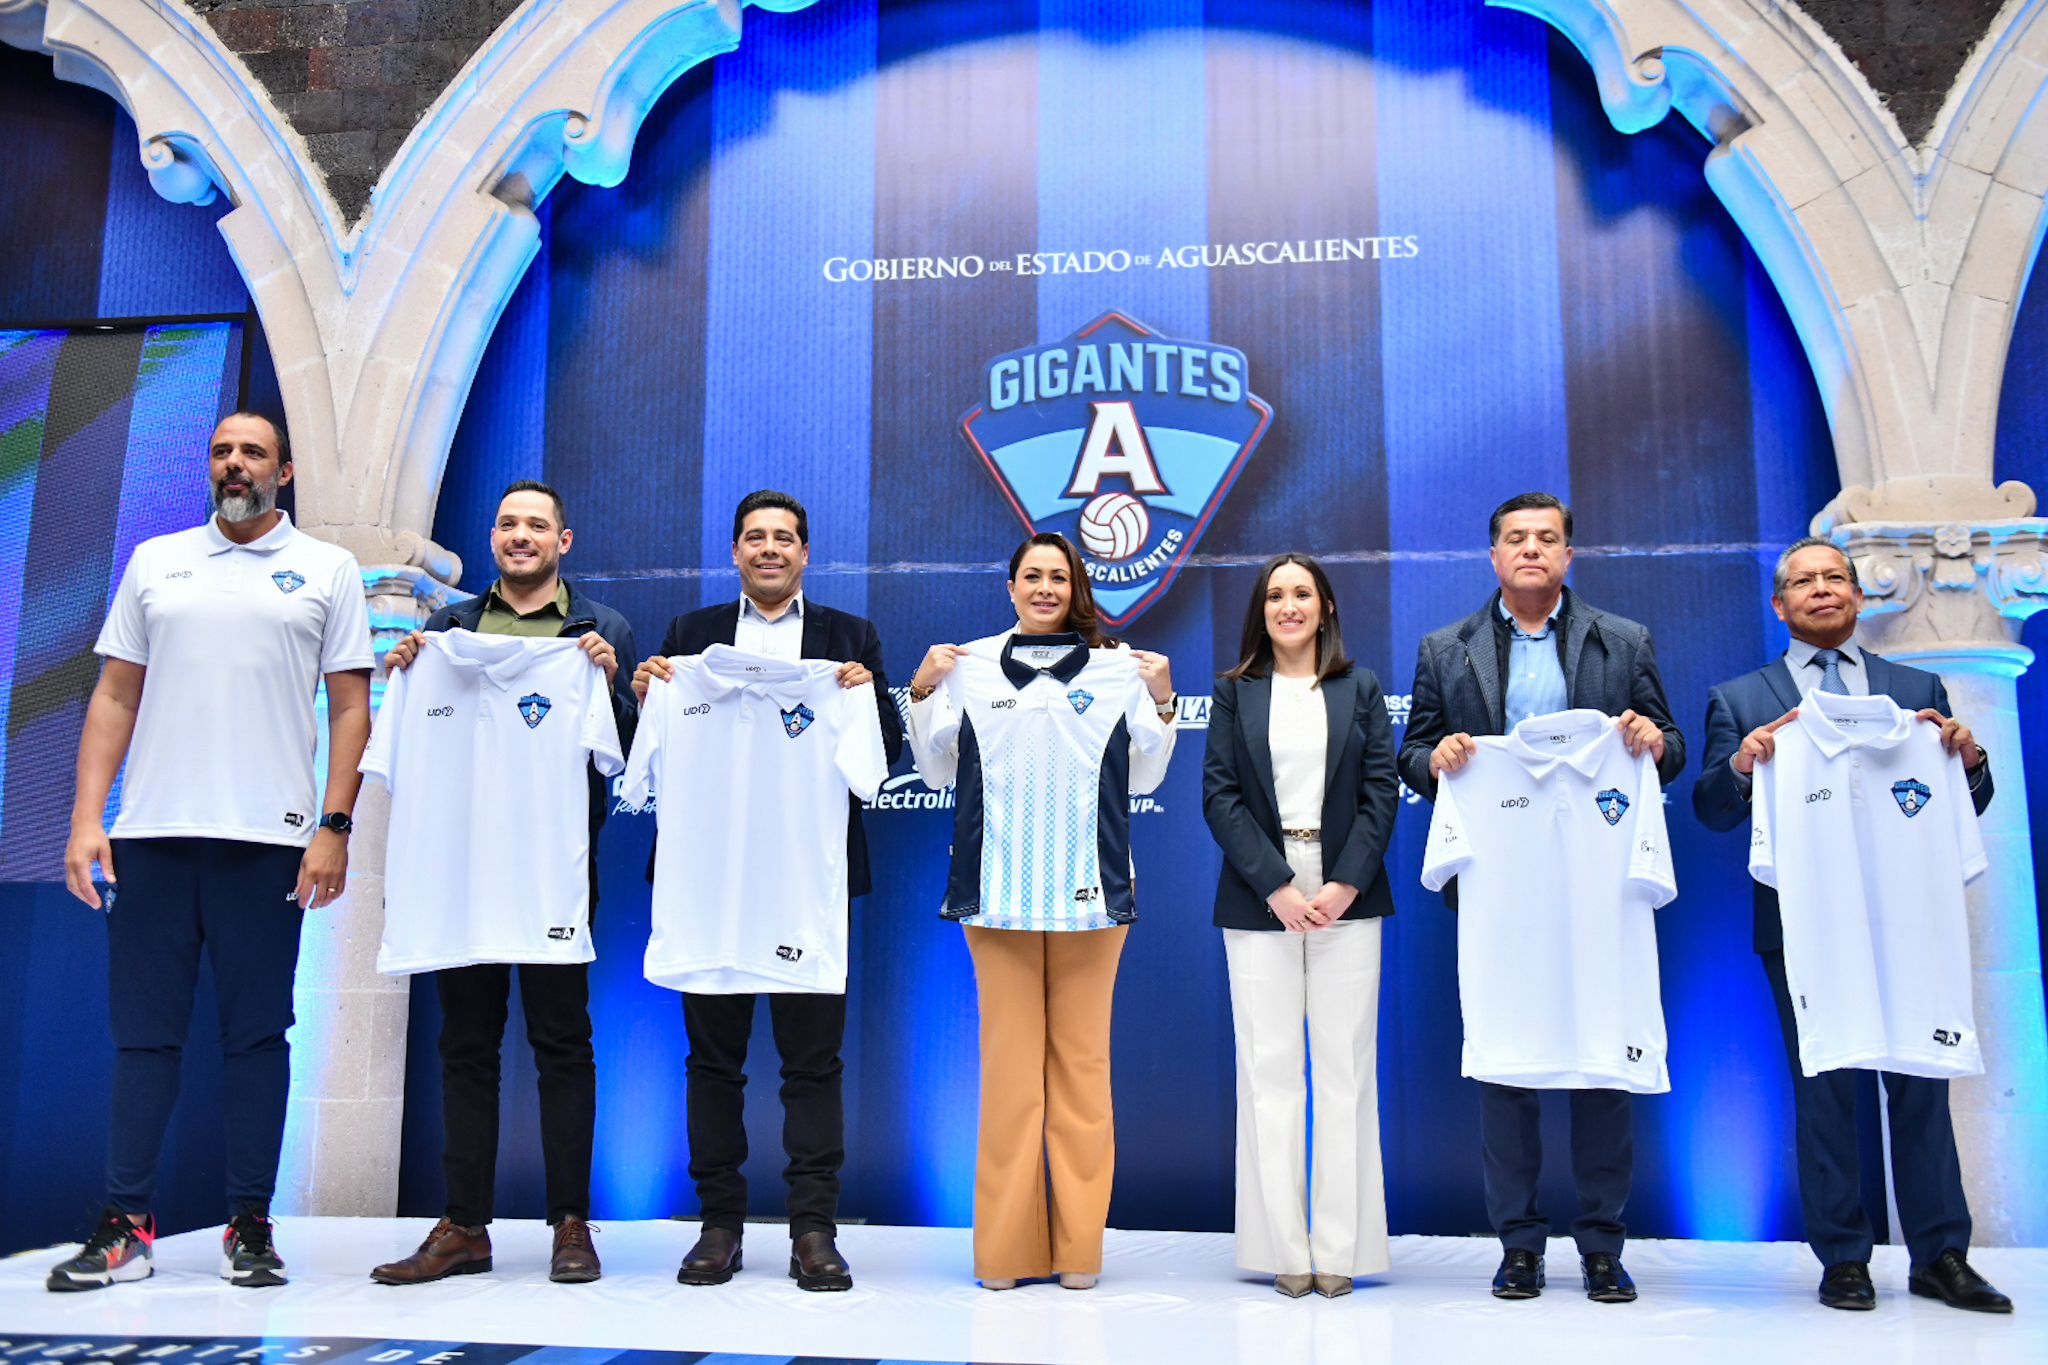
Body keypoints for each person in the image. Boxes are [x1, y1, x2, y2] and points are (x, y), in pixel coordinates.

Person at [49, 412, 374, 1292]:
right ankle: (126, 1225)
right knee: (143, 1038)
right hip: (151, 838)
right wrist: (87, 819)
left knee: (257, 1039)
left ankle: (250, 1224)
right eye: (223, 451)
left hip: (269, 843)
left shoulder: (328, 569)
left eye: (253, 452)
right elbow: (115, 695)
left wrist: (334, 826)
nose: (236, 463)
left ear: (285, 471)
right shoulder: (156, 560)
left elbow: (351, 706)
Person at [1692, 536, 2010, 1314]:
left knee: (1921, 1079)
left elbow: (1967, 799)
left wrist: (1969, 760)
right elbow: (1710, 806)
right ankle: (1843, 1258)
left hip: (1909, 918)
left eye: (1835, 577)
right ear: (1780, 604)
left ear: (1859, 596)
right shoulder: (1743, 698)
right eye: (1804, 581)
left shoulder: (1916, 687)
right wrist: (1741, 765)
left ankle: (1941, 1253)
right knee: (1826, 1087)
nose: (1822, 589)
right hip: (1802, 926)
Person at [1398, 491, 1684, 1304]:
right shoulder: (1445, 648)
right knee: (1506, 1062)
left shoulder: (1624, 640)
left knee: (1603, 1060)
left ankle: (1602, 1244)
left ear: (1568, 555)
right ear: (1493, 555)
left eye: (1547, 538)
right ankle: (1518, 1244)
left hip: (1598, 882)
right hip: (1501, 885)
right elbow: (1411, 752)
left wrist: (1654, 741)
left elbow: (1670, 748)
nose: (1531, 548)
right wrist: (1436, 757)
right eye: (1516, 538)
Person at [365, 480, 638, 1286]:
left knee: (563, 1043)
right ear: (492, 537)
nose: (522, 535)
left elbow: (624, 753)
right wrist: (403, 671)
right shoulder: (445, 631)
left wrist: (612, 683)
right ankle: (464, 1225)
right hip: (459, 872)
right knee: (465, 1044)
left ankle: (570, 1222)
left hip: (554, 872)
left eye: (537, 525)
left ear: (563, 540)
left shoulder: (600, 630)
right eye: (509, 523)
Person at [631, 489, 903, 1291]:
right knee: (712, 1062)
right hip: (707, 883)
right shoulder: (690, 637)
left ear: (805, 552)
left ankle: (813, 1230)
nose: (770, 548)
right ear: (736, 551)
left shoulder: (850, 638)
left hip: (804, 884)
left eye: (784, 537)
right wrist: (647, 693)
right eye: (756, 537)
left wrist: (866, 696)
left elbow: (882, 756)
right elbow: (646, 750)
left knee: (812, 1064)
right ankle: (719, 1225)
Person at [906, 531, 1177, 1291]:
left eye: (1059, 576)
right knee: (1010, 1078)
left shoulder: (1119, 668)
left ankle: (1079, 1251)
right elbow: (935, 769)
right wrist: (922, 692)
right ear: (1011, 587)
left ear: (1076, 587)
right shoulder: (970, 665)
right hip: (997, 897)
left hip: (1095, 895)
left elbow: (1147, 773)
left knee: (1084, 1075)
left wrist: (1161, 698)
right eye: (1033, 575)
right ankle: (1005, 1253)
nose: (1046, 588)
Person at [1202, 554, 1399, 1298]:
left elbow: (1381, 791)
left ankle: (1341, 1248)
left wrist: (1344, 882)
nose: (1289, 606)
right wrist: (1277, 885)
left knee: (1345, 1070)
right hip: (1262, 897)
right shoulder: (1234, 691)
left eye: (1303, 594)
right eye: (1276, 595)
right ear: (1261, 610)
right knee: (1269, 1070)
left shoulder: (1360, 686)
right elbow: (1220, 796)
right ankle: (1283, 1246)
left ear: (1326, 607)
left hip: (1348, 892)